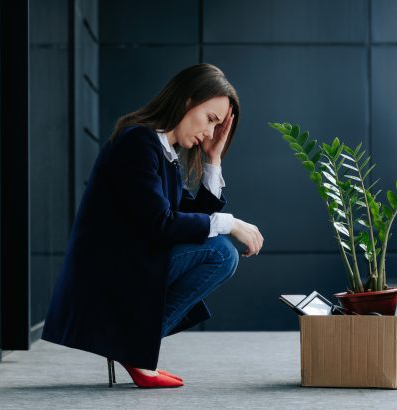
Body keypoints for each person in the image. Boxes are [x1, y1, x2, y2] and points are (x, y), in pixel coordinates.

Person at [42, 63, 264, 389]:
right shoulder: (139, 143)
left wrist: (213, 161)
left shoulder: (162, 152)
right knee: (221, 253)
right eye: (210, 120)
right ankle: (135, 348)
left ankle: (134, 347)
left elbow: (190, 218)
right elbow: (162, 225)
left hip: (128, 268)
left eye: (218, 126)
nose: (210, 132)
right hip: (107, 278)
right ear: (187, 102)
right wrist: (230, 223)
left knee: (219, 250)